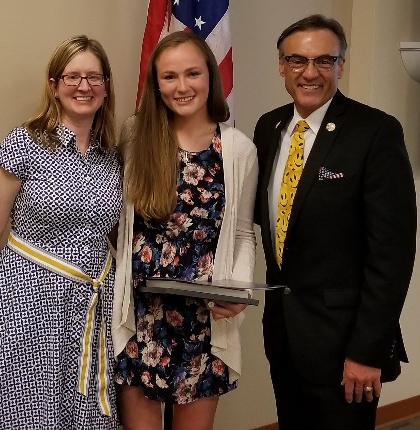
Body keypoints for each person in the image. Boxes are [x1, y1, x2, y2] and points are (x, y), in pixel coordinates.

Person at [253, 14, 417, 429]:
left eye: (325, 61)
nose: (310, 73)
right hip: (284, 336)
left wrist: (367, 350)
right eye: (297, 60)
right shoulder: (269, 128)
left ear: (341, 65)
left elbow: (391, 255)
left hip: (345, 345)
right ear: (281, 66)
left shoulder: (375, 132)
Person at [0, 35, 122, 429]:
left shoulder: (112, 155)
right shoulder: (23, 144)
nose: (83, 87)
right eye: (72, 76)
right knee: (25, 415)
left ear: (106, 85)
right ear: (53, 84)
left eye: (93, 77)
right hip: (26, 304)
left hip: (91, 303)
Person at [112, 31, 258, 430]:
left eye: (192, 73)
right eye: (169, 76)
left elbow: (243, 233)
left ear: (210, 76)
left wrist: (239, 291)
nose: (181, 86)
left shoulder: (238, 148)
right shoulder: (135, 134)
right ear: (155, 84)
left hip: (204, 322)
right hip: (139, 316)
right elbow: (117, 223)